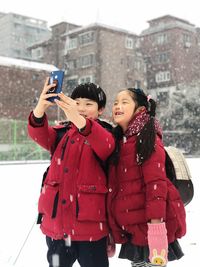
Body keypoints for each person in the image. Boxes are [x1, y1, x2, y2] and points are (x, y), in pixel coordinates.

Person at [27, 78, 115, 267]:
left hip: (91, 228)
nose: (81, 108)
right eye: (77, 103)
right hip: (57, 227)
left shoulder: (106, 133)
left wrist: (79, 120)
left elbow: (105, 146)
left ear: (101, 110)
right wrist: (40, 108)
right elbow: (39, 134)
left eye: (88, 104)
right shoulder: (60, 133)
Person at [107, 88, 186, 267]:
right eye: (115, 102)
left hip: (149, 227)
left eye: (124, 102)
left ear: (140, 109)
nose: (118, 106)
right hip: (133, 227)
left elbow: (156, 184)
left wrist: (156, 226)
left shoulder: (146, 137)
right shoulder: (120, 139)